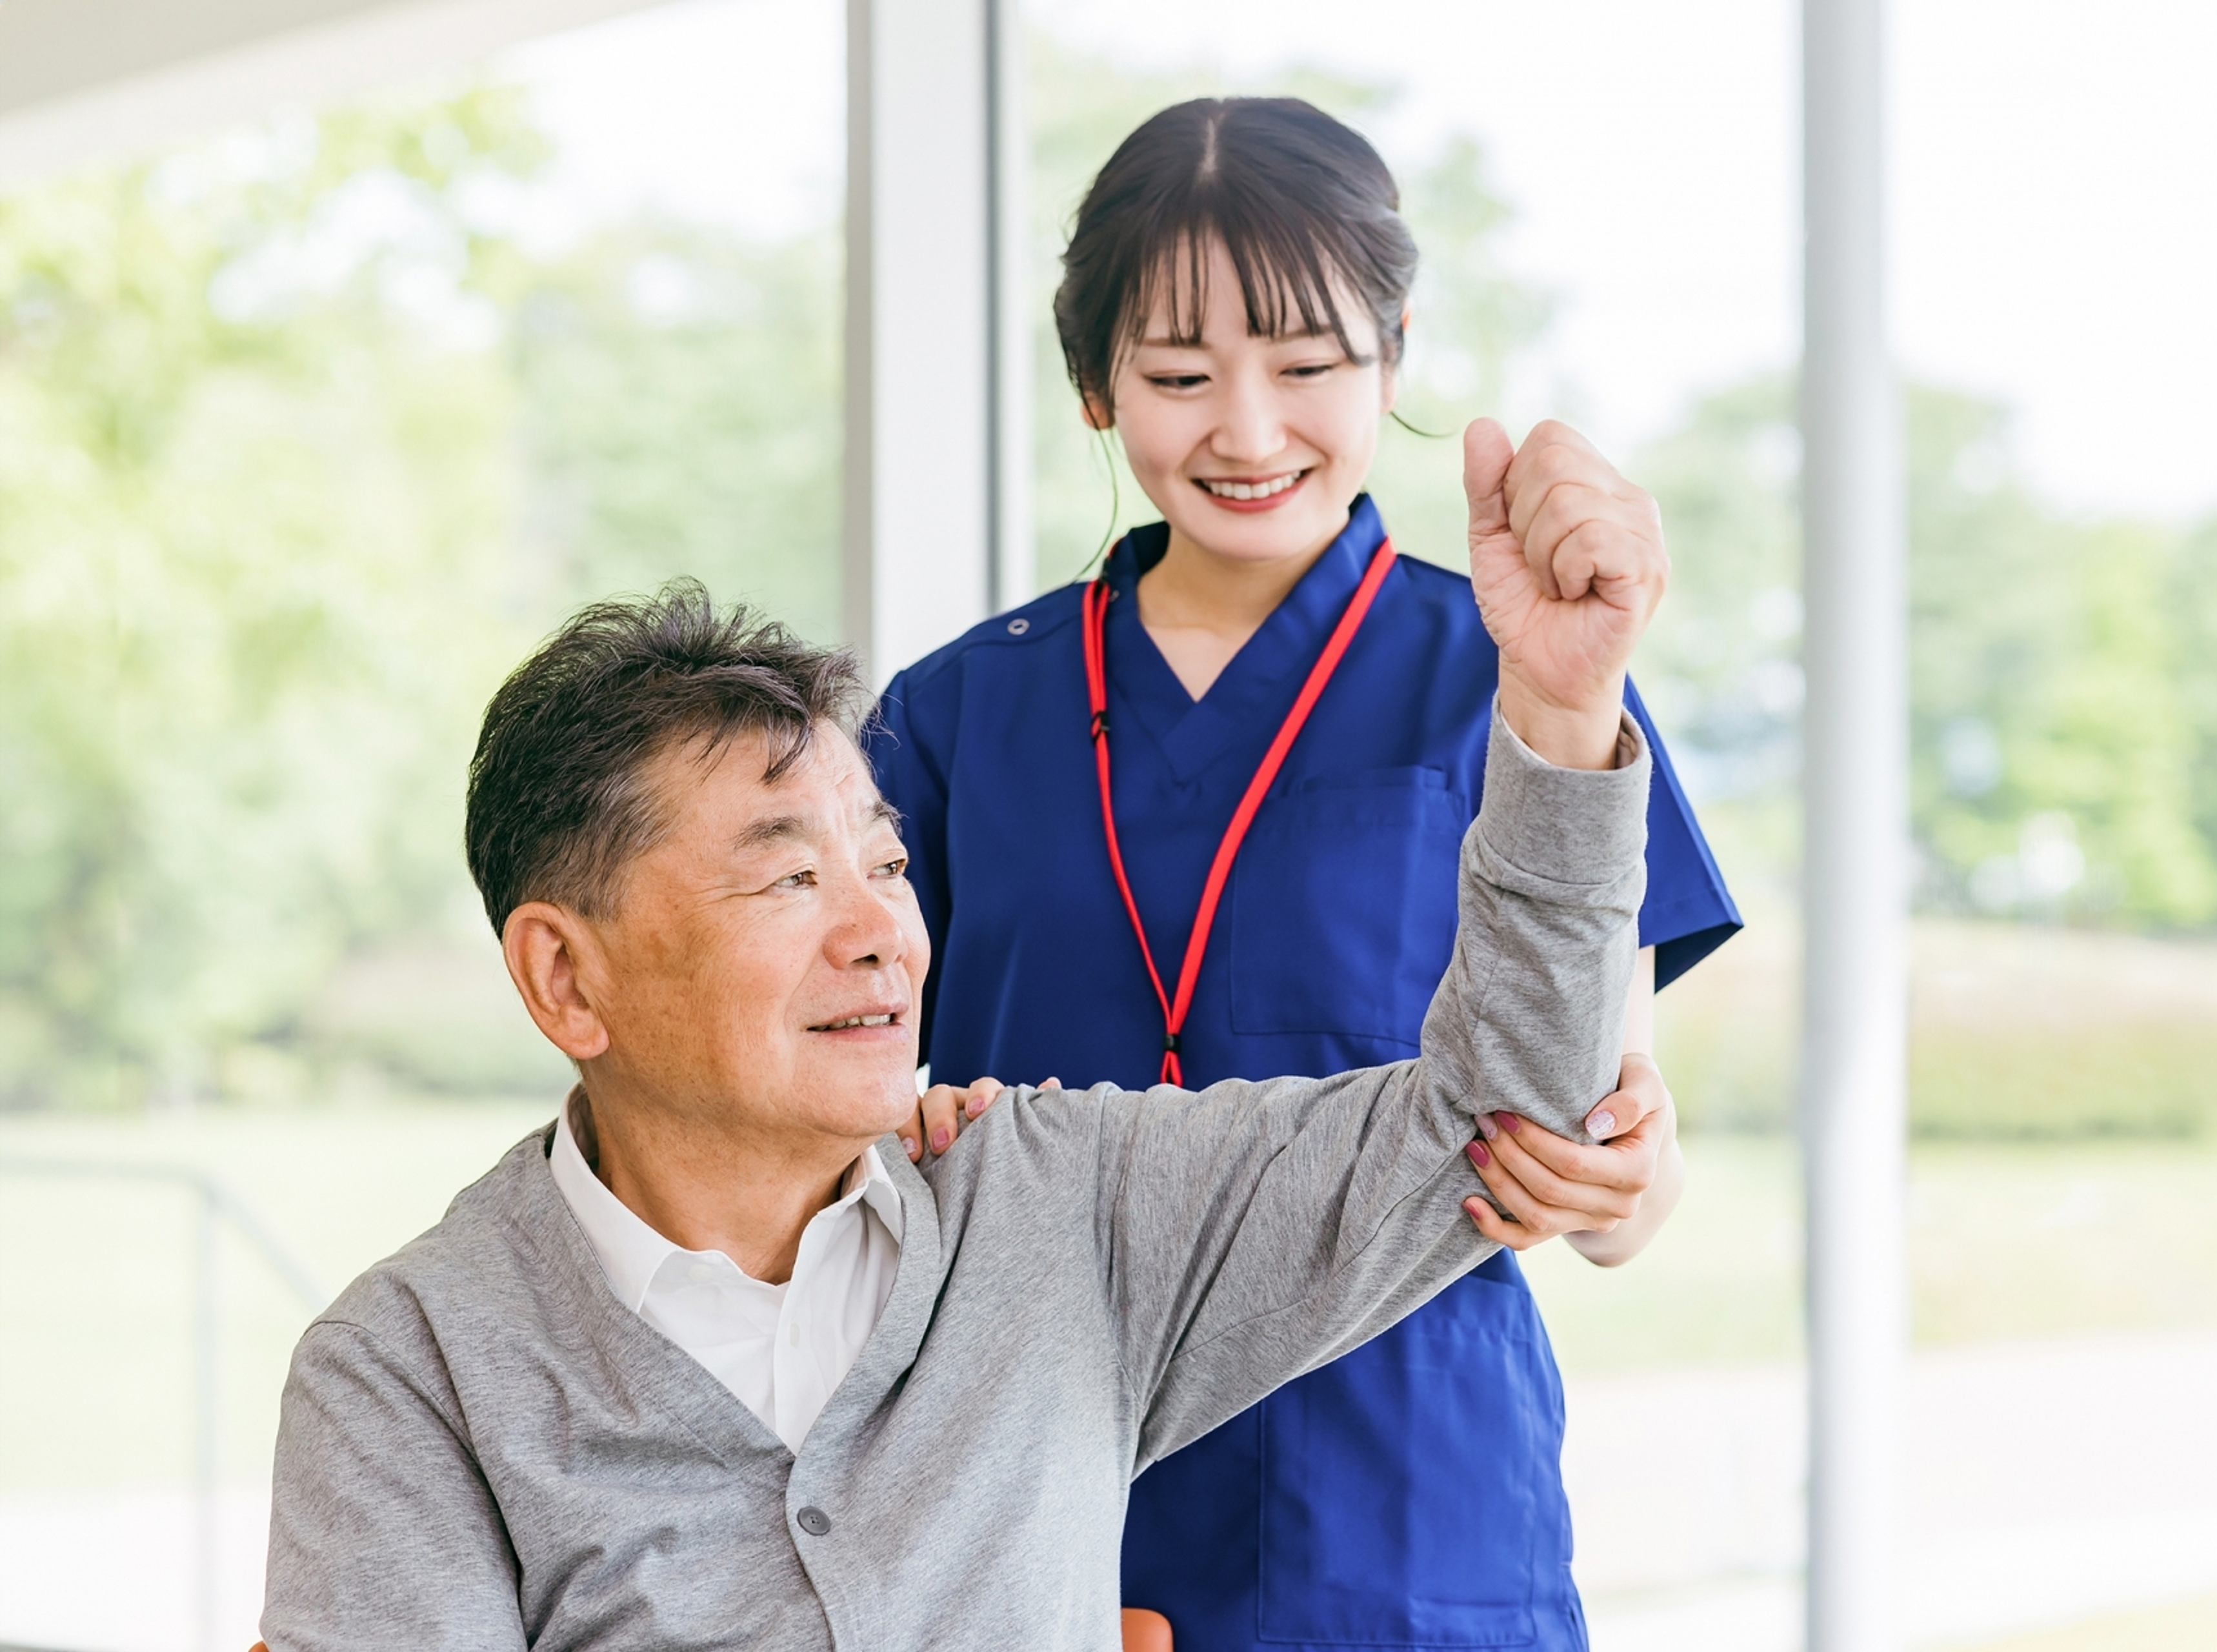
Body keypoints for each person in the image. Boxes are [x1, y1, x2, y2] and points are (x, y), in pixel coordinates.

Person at [257, 381, 1671, 1649]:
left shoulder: (1054, 1211)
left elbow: (1493, 1119)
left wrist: (1560, 703)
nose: (883, 933)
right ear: (567, 977)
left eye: (885, 860)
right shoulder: (410, 1370)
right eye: (791, 875)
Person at [868, 97, 1738, 1651]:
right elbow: (837, 1116)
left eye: (1309, 365)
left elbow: (1624, 1166)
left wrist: (1617, 1179)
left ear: (1393, 354)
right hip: (1045, 1485)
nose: (1250, 432)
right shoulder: (951, 716)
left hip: (1405, 1504)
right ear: (1091, 386)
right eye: (1180, 375)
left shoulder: (1526, 677)